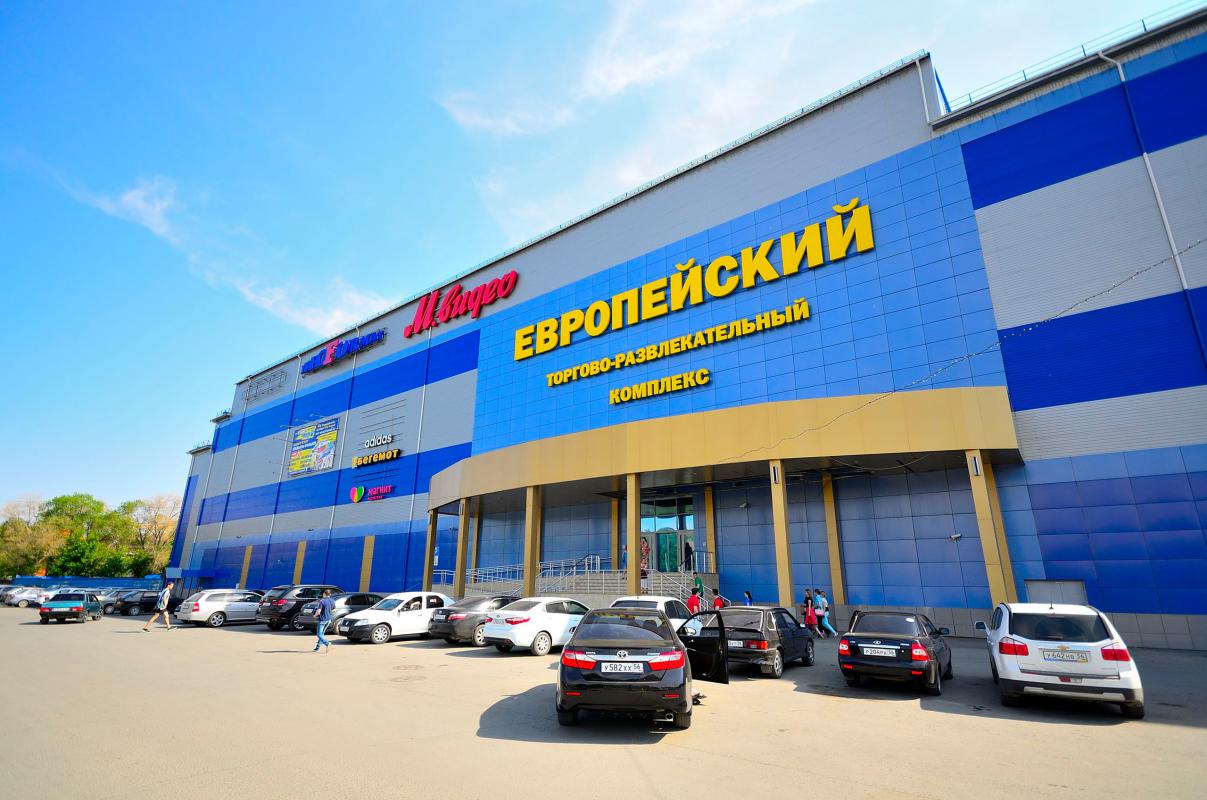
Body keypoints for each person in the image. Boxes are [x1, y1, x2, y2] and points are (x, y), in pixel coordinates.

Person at [313, 588, 336, 653]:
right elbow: (334, 610)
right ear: (330, 594)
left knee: (319, 634)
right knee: (322, 634)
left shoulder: (322, 601)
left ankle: (327, 643)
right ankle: (317, 647)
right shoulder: (332, 601)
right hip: (328, 620)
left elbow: (318, 611)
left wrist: (314, 615)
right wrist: (328, 611)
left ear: (324, 594)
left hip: (322, 620)